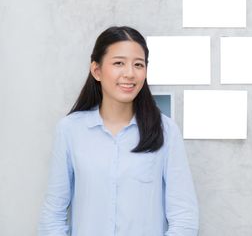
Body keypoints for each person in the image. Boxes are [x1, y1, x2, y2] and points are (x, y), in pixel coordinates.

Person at [38, 26, 199, 236]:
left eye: (138, 65)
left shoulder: (166, 131)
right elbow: (53, 214)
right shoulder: (70, 130)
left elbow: (184, 216)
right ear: (97, 70)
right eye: (118, 63)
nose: (130, 73)